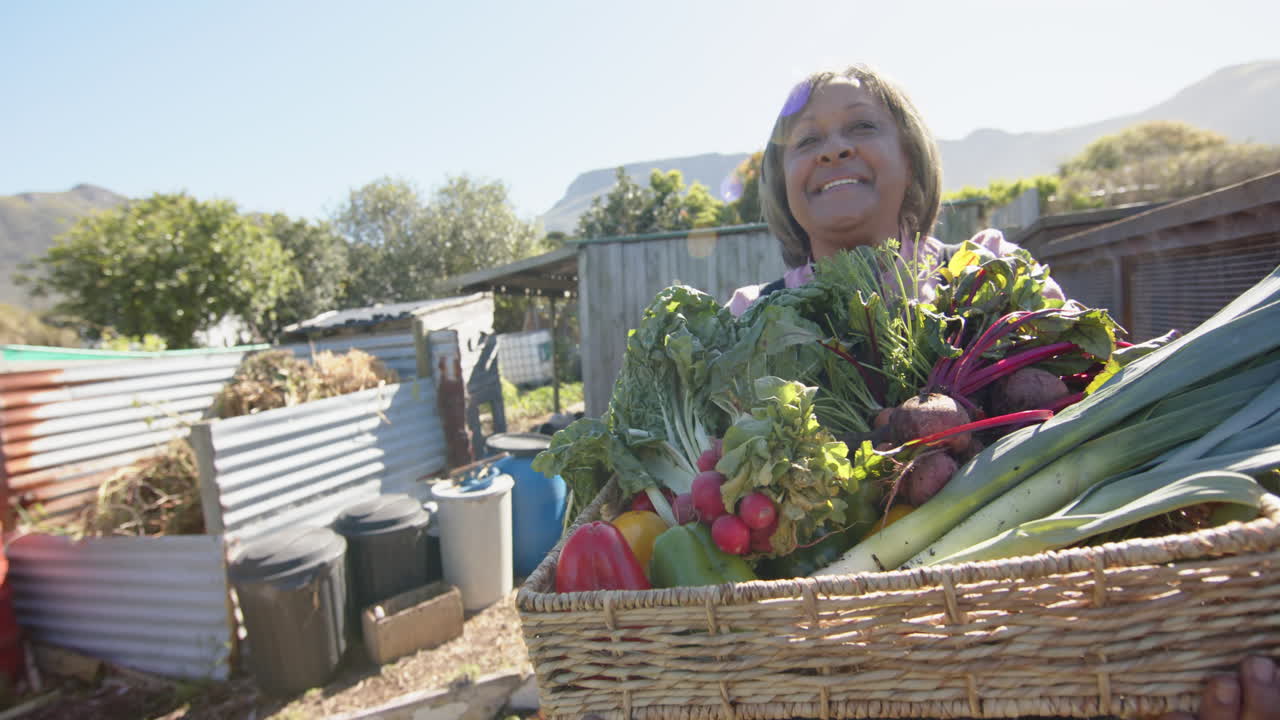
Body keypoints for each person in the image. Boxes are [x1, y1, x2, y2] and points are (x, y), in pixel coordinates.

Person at [732, 64, 1279, 720]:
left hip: (1029, 634)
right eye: (805, 140)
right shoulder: (748, 323)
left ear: (911, 158)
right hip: (832, 654)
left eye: (861, 127)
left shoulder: (995, 276)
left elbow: (1098, 397)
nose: (833, 148)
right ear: (781, 181)